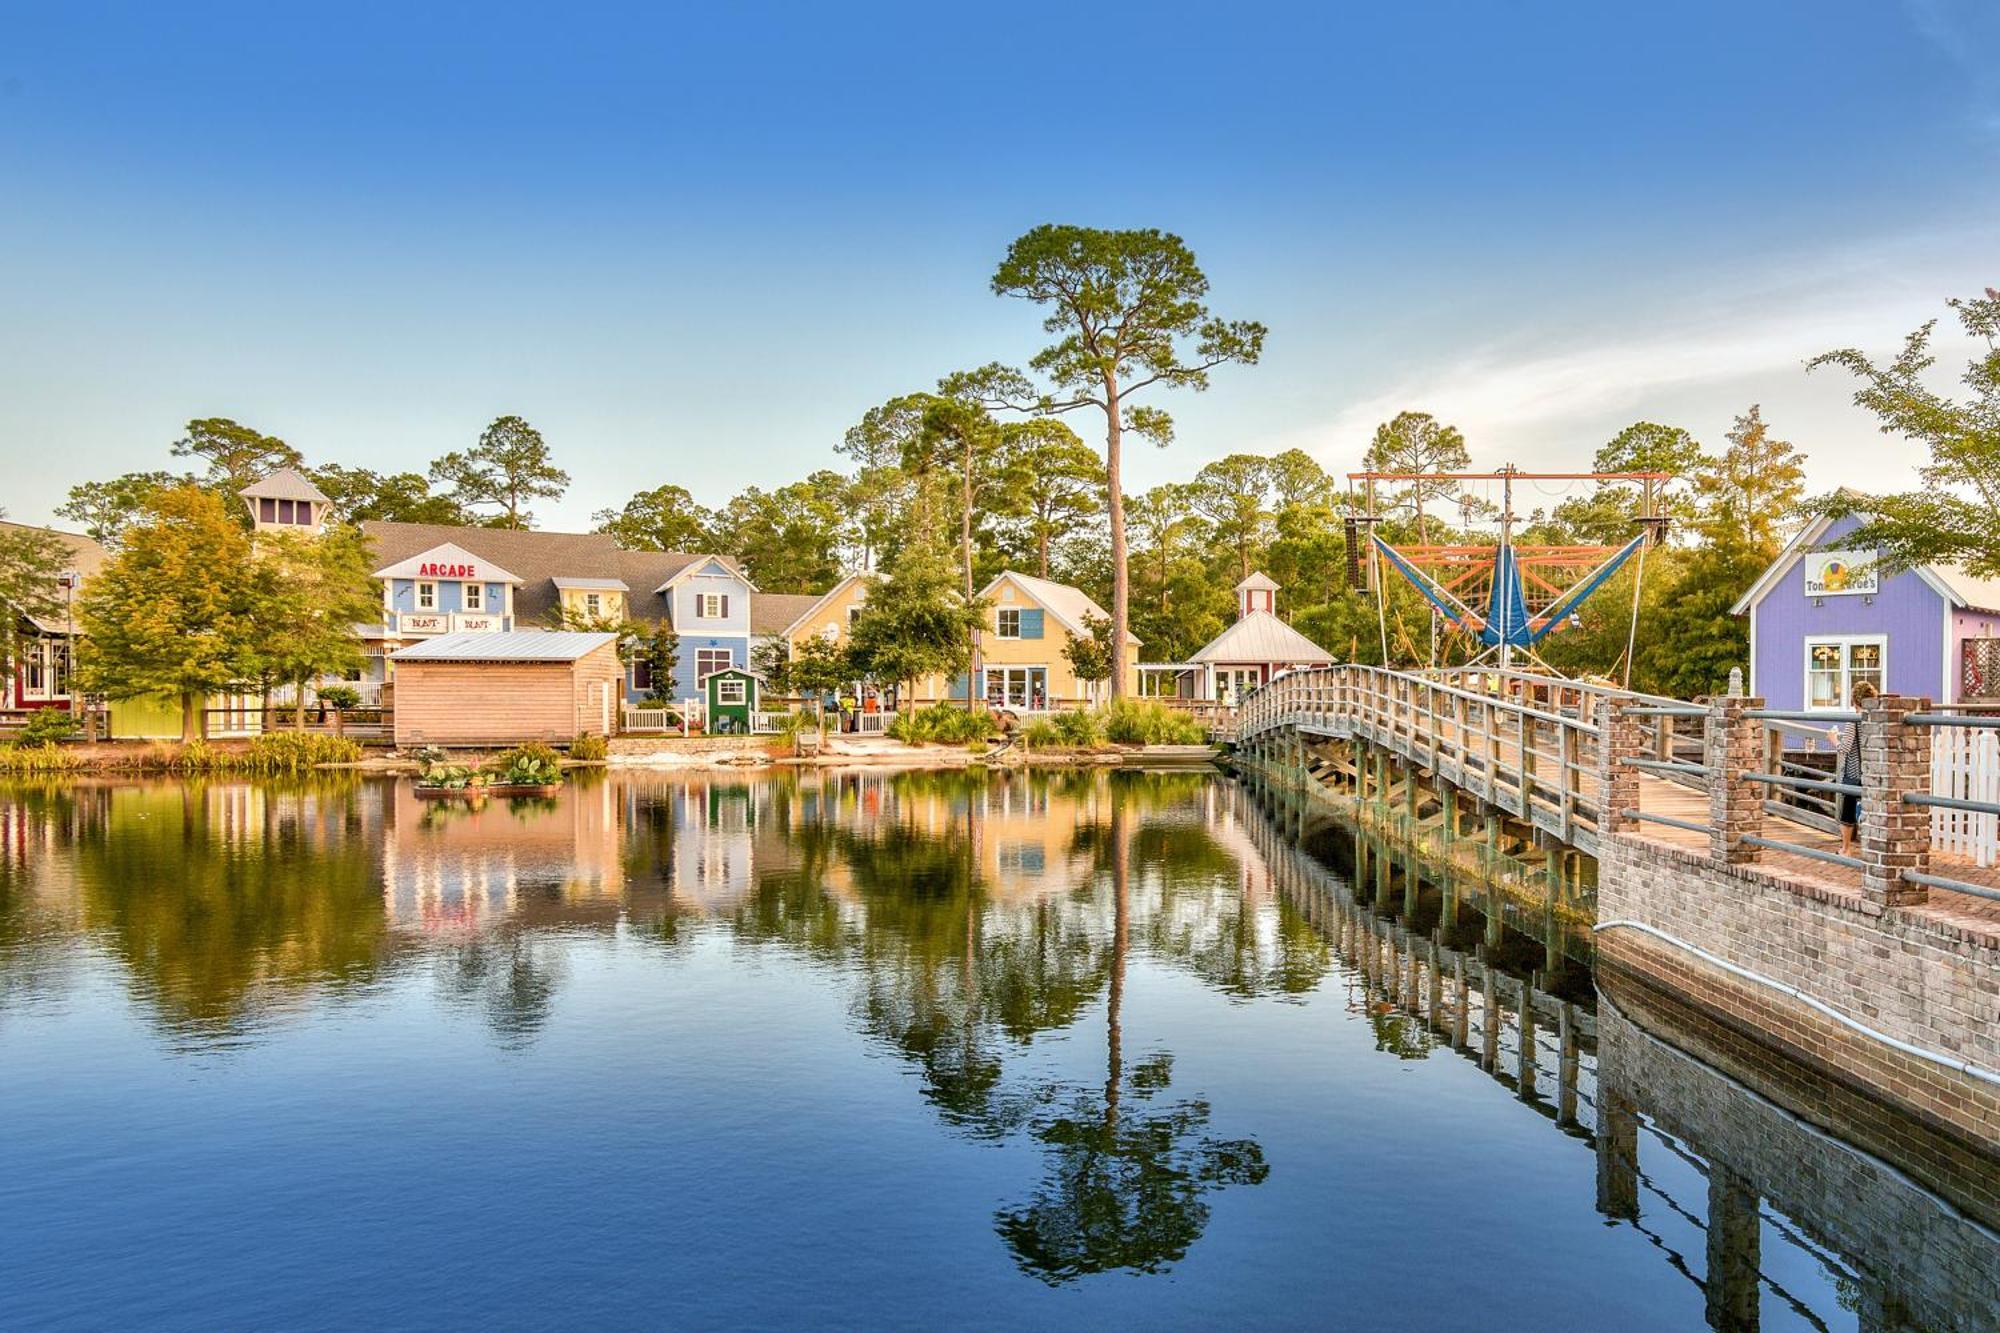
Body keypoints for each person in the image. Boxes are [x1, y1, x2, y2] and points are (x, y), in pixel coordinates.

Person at [1827, 680, 1879, 854]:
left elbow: (1844, 748)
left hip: (1854, 772)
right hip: (1873, 772)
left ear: (1855, 700)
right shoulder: (1876, 718)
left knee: (1847, 812)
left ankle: (1846, 848)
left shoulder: (1853, 720)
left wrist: (1833, 738)